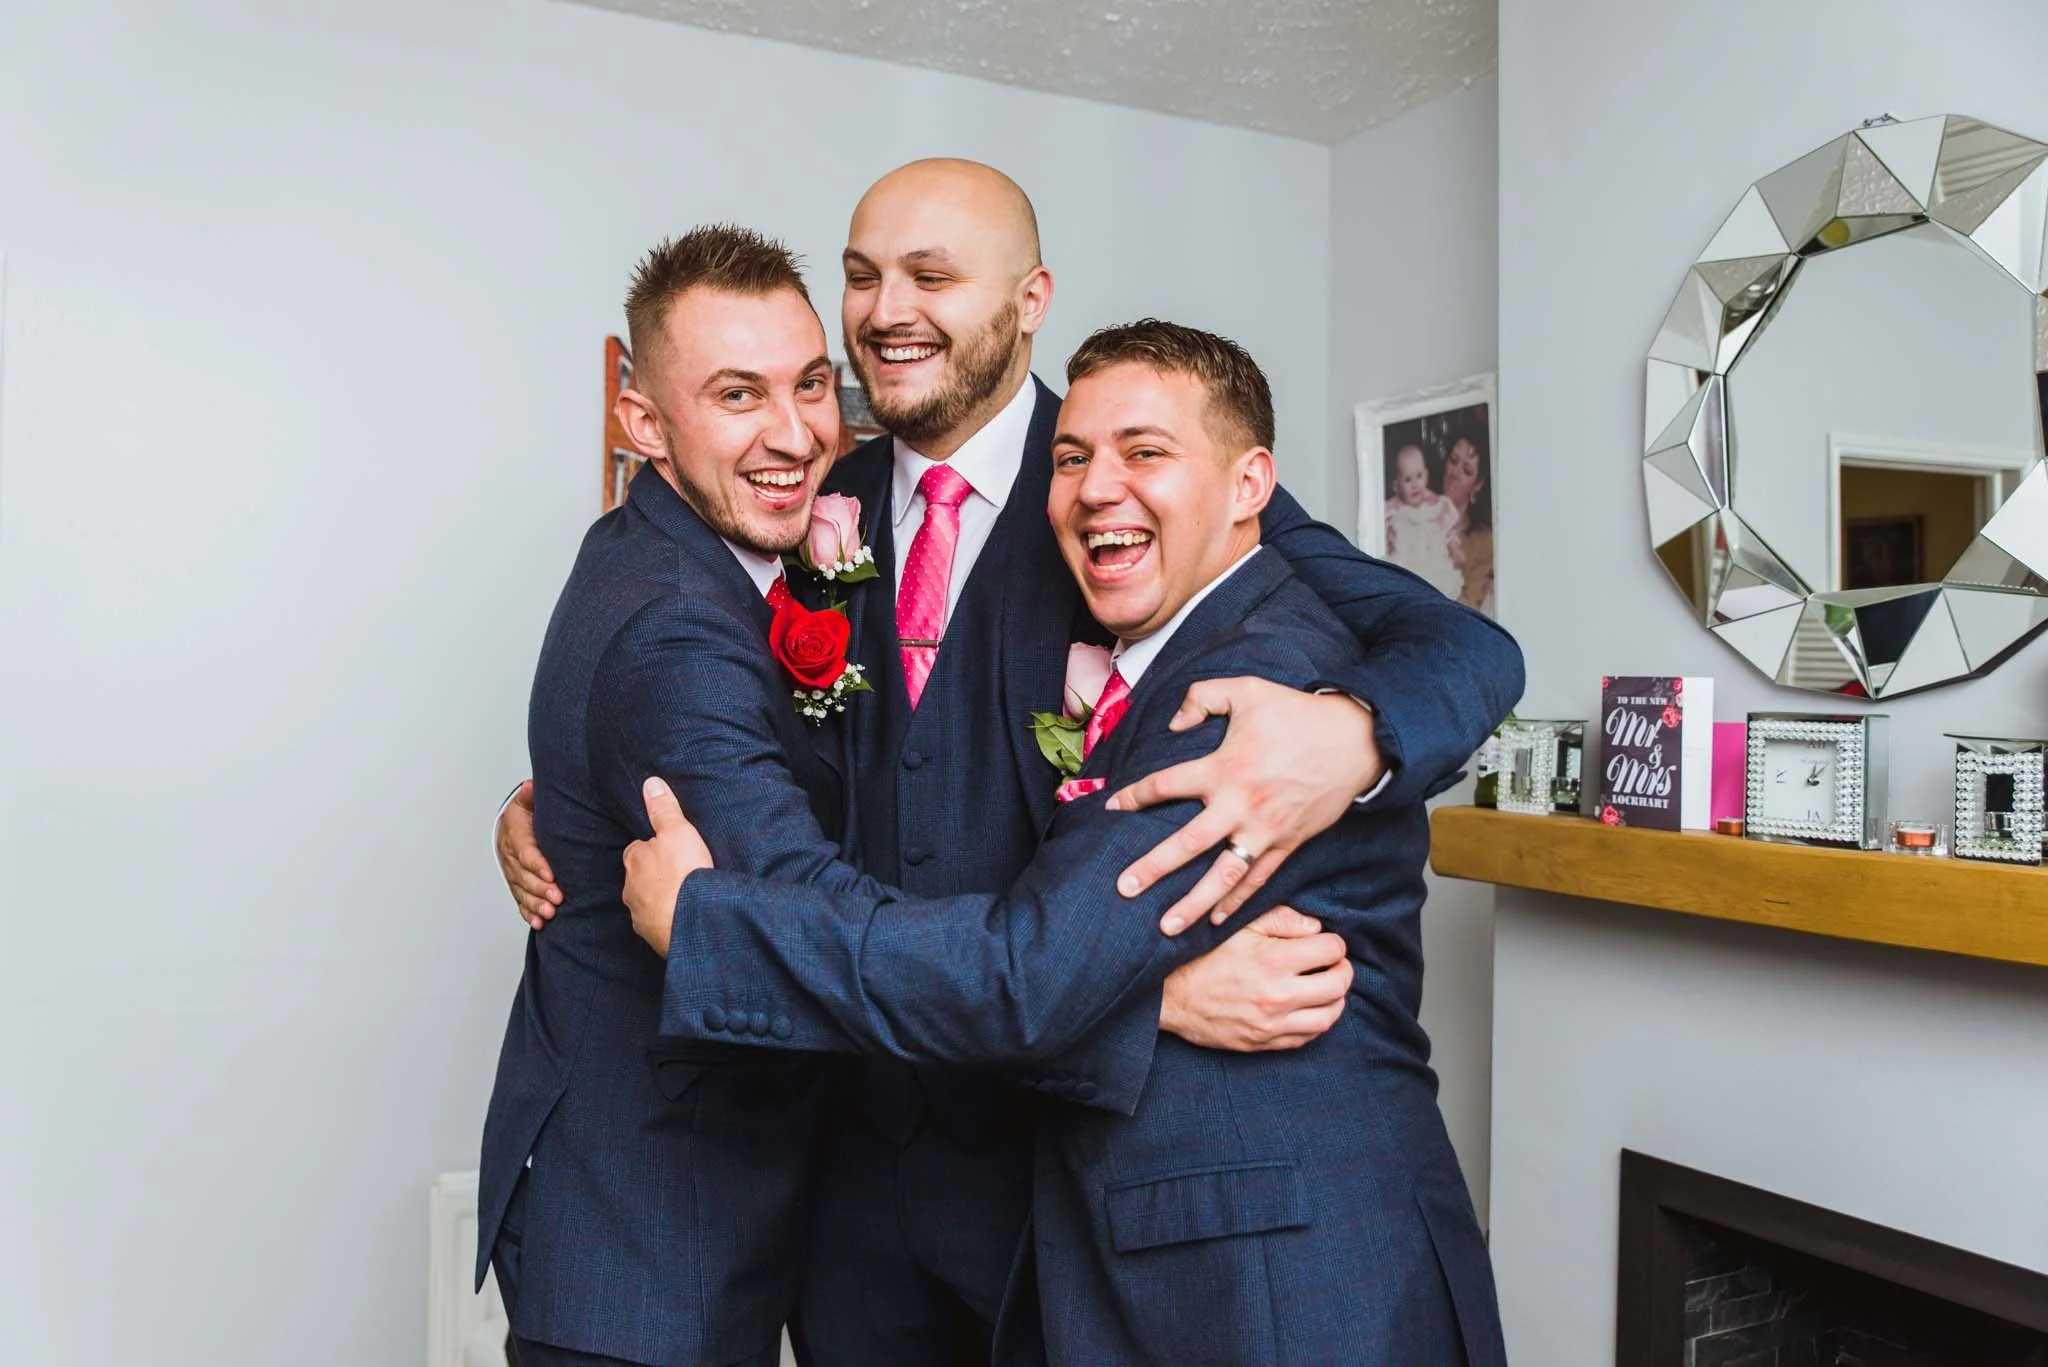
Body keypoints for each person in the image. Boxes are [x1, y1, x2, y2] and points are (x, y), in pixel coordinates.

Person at [497, 158, 1525, 1365]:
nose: (888, 310)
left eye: (932, 274)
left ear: (1030, 300)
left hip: (1042, 1183)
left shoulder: (1129, 468)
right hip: (847, 1180)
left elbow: (1458, 642)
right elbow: (709, 717)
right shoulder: (810, 477)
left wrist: (1351, 733)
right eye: (864, 275)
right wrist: (559, 801)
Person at [475, 226, 872, 1367]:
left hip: (647, 1197)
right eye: (737, 394)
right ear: (643, 423)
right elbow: (800, 903)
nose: (794, 433)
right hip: (646, 1241)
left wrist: (548, 798)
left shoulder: (660, 542)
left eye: (810, 384)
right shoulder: (675, 620)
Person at [1385, 440, 1464, 600]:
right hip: (1408, 571)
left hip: (1436, 569)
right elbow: (1384, 536)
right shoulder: (1394, 510)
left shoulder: (1438, 506)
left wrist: (1454, 548)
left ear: (1426, 475)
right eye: (1408, 480)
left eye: (1419, 476)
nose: (1415, 484)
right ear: (1396, 486)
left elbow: (1449, 532)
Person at [1442, 431, 1495, 615]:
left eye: (1466, 470)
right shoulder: (1417, 512)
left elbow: (1470, 606)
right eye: (1453, 460)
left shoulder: (1483, 541)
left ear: (1478, 484)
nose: (1454, 472)